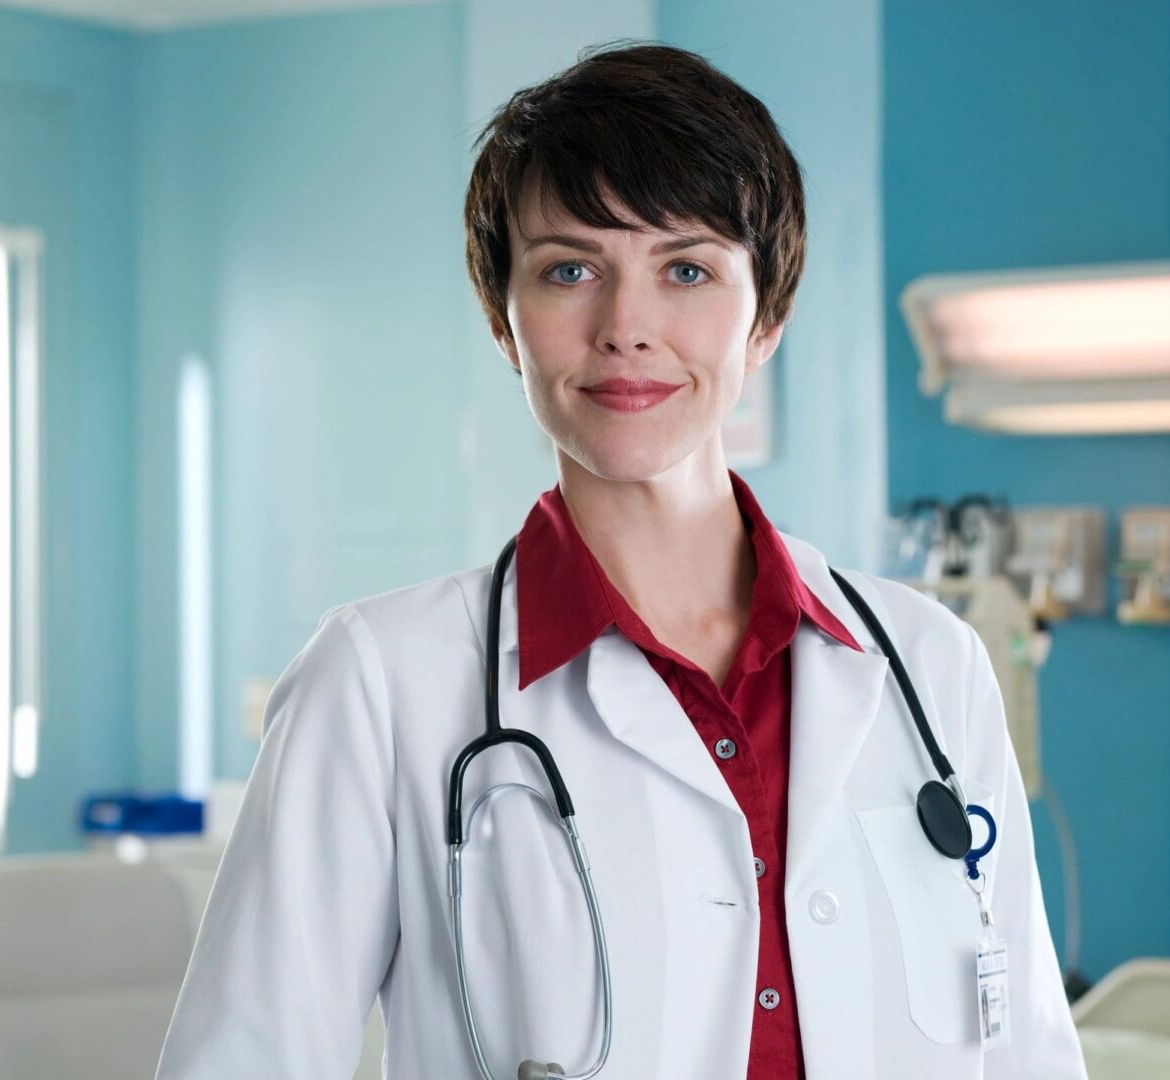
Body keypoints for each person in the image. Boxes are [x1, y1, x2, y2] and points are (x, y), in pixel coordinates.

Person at [154, 41, 1087, 1080]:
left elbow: (1027, 1058)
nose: (625, 328)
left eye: (686, 270)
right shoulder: (379, 682)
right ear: (504, 322)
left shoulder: (928, 665)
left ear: (767, 318)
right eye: (569, 270)